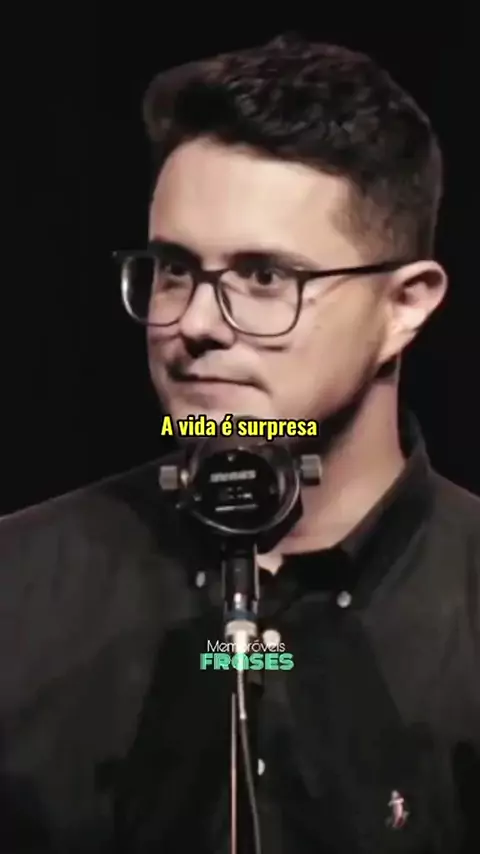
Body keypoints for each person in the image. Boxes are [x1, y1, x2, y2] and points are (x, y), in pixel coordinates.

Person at [0, 31, 479, 854]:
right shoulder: (16, 587)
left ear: (405, 306)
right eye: (174, 268)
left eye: (264, 277)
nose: (192, 323)